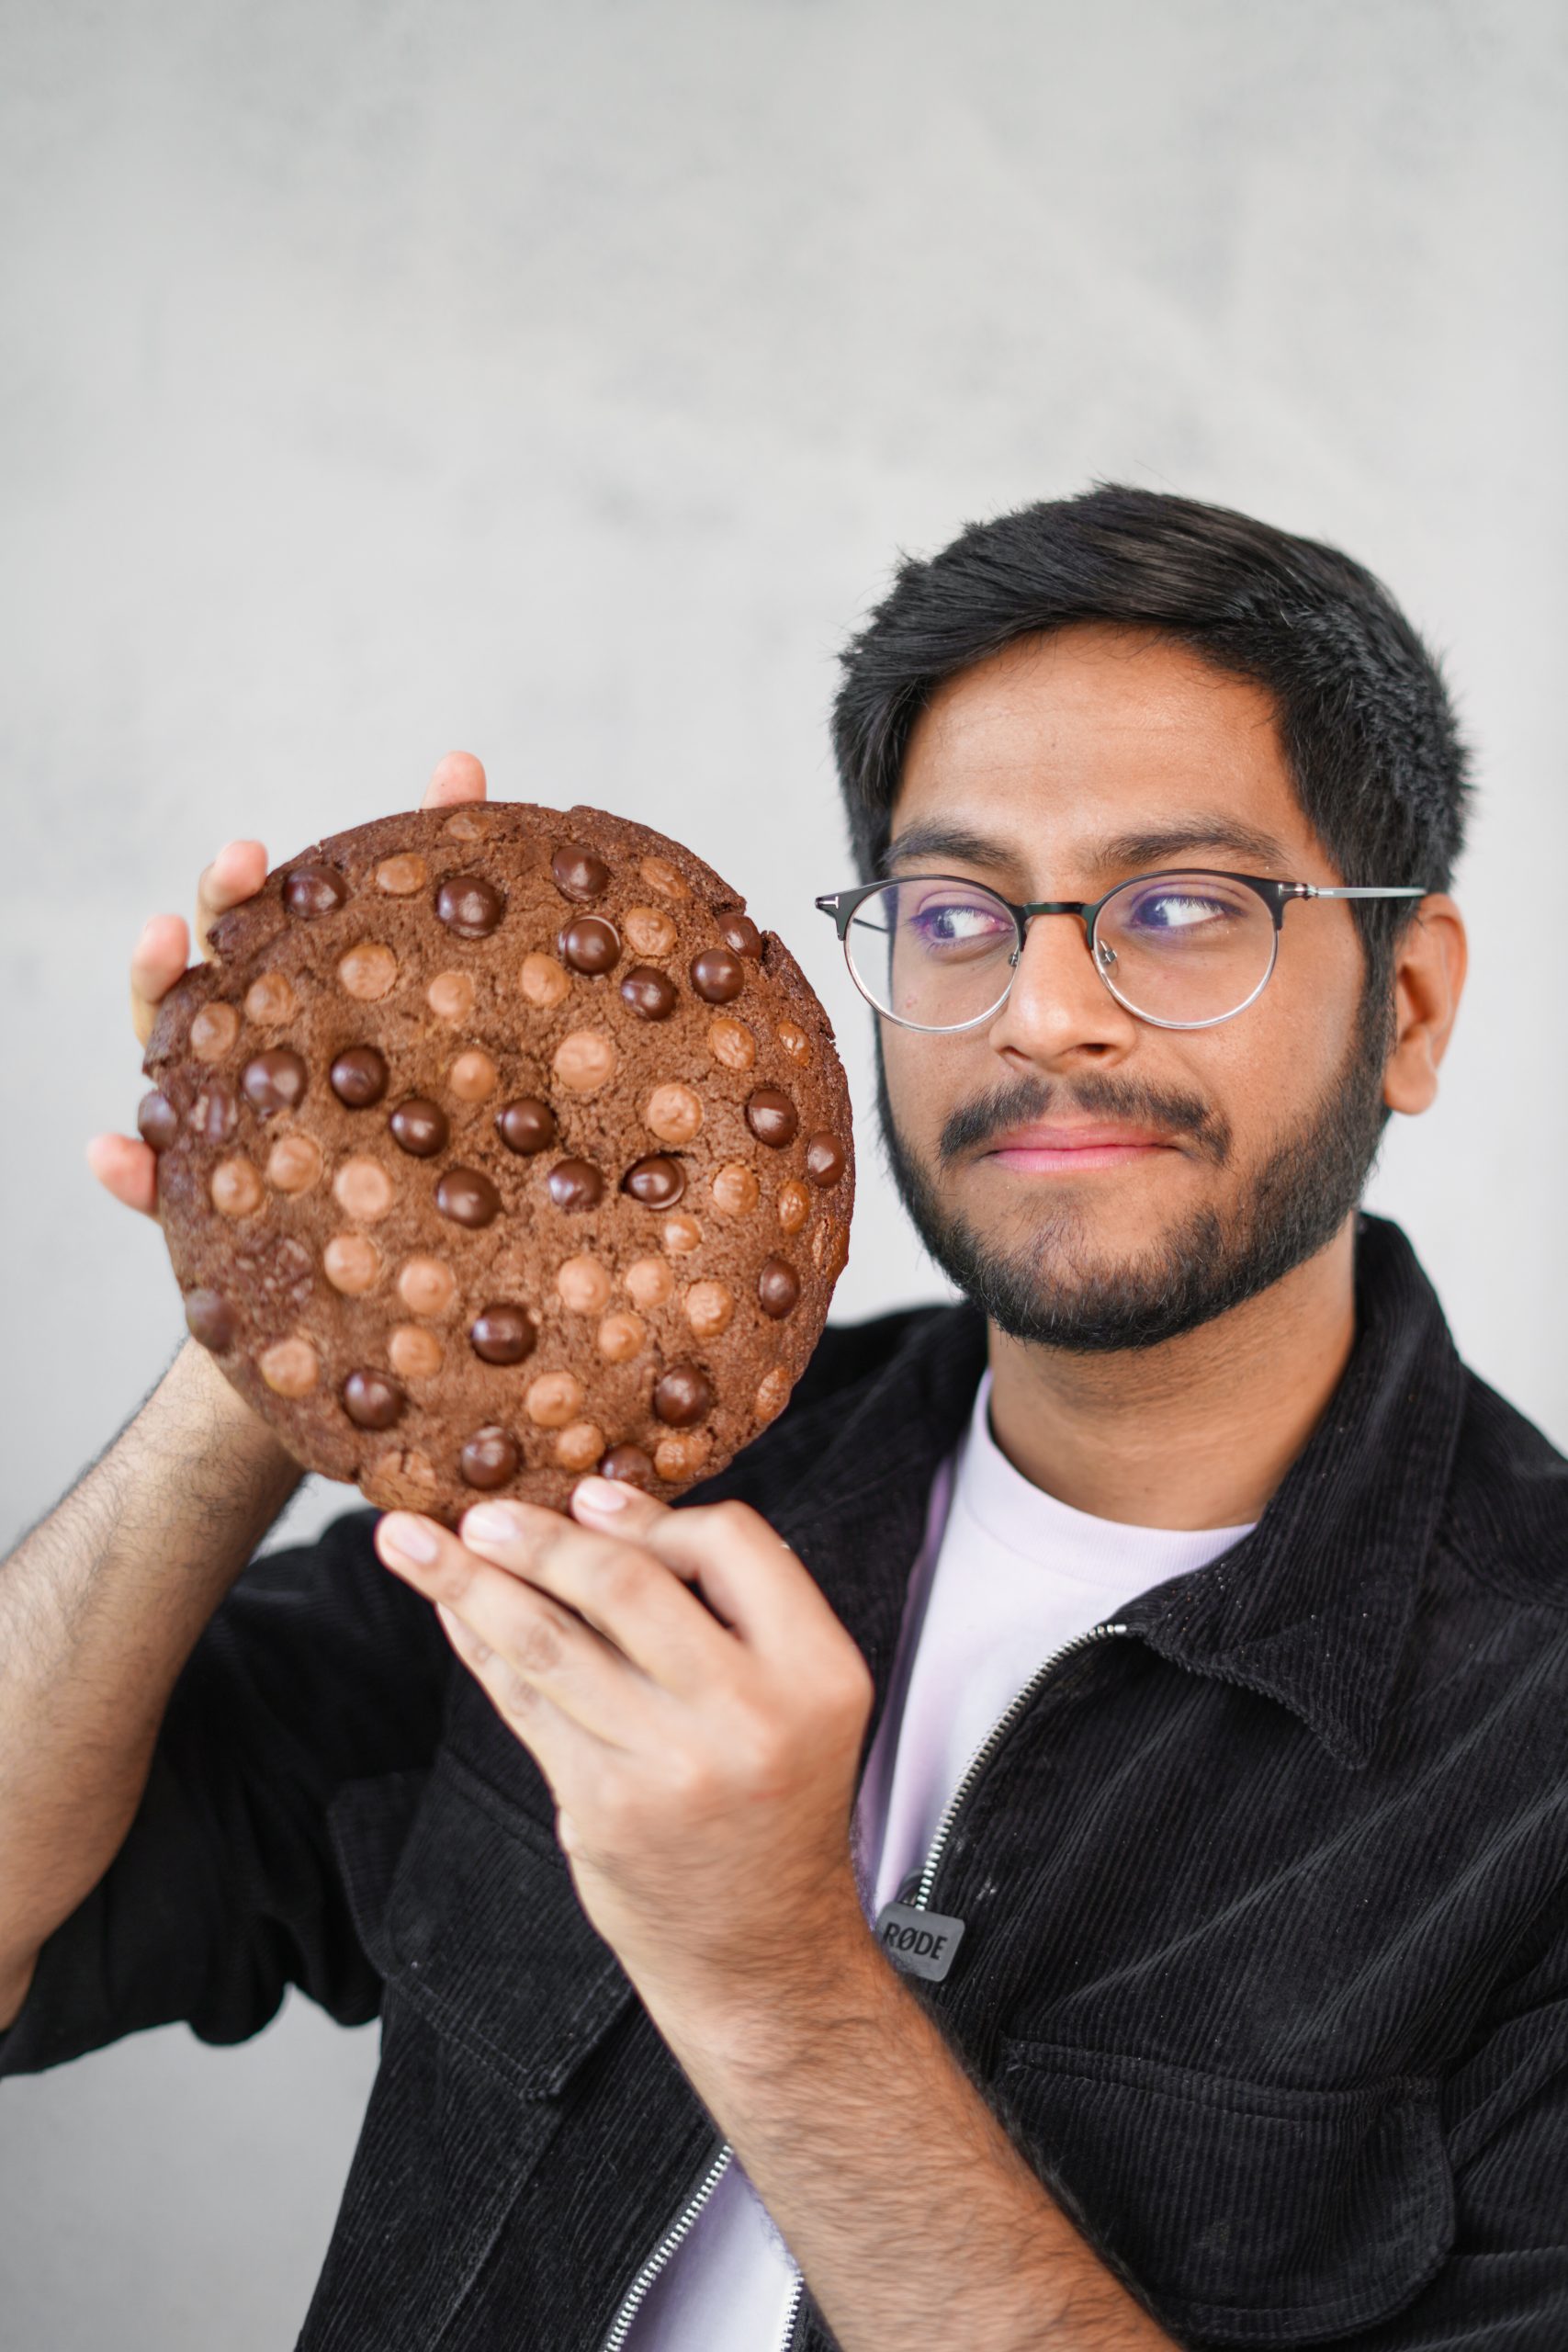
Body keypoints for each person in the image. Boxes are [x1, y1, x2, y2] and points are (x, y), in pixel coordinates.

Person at [2, 484, 1564, 2352]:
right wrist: (283, 1299)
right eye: (954, 910)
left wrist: (768, 1970)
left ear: (1404, 1000)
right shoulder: (615, 1490)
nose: (1045, 1008)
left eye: (1176, 907)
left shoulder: (1527, 1772)